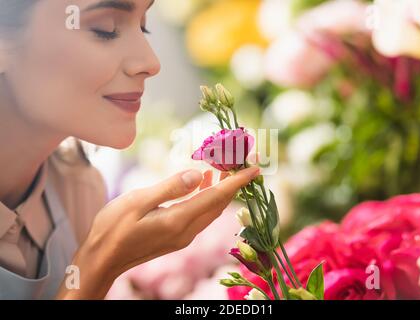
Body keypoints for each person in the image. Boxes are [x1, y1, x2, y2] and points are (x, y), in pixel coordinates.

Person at [0, 0, 260, 299]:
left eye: (142, 26)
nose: (151, 63)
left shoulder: (76, 188)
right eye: (105, 29)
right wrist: (101, 261)